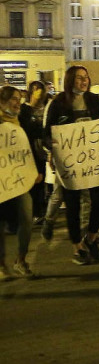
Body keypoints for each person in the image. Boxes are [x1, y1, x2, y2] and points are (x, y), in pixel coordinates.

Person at [43, 65, 99, 265]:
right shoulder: (58, 103)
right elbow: (47, 133)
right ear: (70, 80)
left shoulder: (93, 100)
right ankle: (78, 248)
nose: (83, 81)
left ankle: (91, 238)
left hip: (93, 161)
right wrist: (52, 147)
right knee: (72, 205)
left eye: (86, 77)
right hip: (69, 163)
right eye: (79, 78)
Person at [1, 85, 38, 278]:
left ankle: (20, 259)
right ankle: (1, 265)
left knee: (26, 216)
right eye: (14, 99)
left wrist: (35, 170)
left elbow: (29, 145)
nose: (18, 103)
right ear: (2, 102)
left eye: (19, 98)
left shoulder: (22, 119)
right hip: (1, 181)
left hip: (19, 179)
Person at [18, 80, 49, 221]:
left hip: (41, 151)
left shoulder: (47, 108)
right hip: (27, 151)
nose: (39, 93)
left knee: (40, 181)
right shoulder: (23, 110)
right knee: (30, 183)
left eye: (41, 90)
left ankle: (38, 211)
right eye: (36, 90)